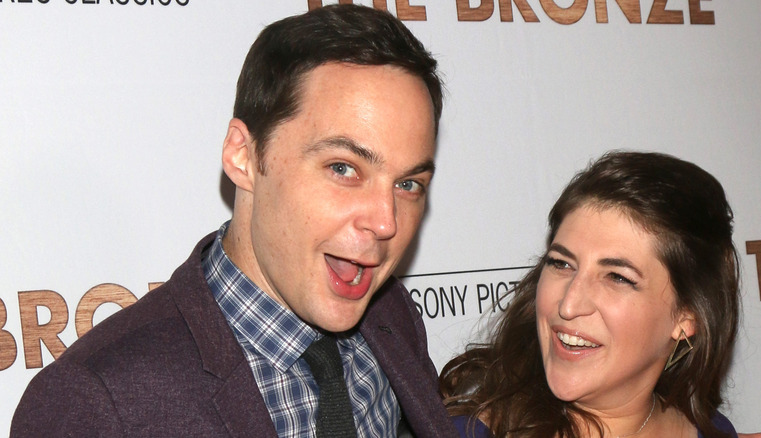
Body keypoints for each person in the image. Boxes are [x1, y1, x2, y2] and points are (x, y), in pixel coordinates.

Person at [12, 5, 457, 437]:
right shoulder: (98, 403)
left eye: (408, 184)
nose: (386, 223)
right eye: (343, 168)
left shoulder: (391, 318)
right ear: (243, 155)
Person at [440, 151, 741, 438]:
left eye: (617, 277)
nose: (569, 305)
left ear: (687, 315)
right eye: (561, 263)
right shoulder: (463, 433)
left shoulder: (713, 431)